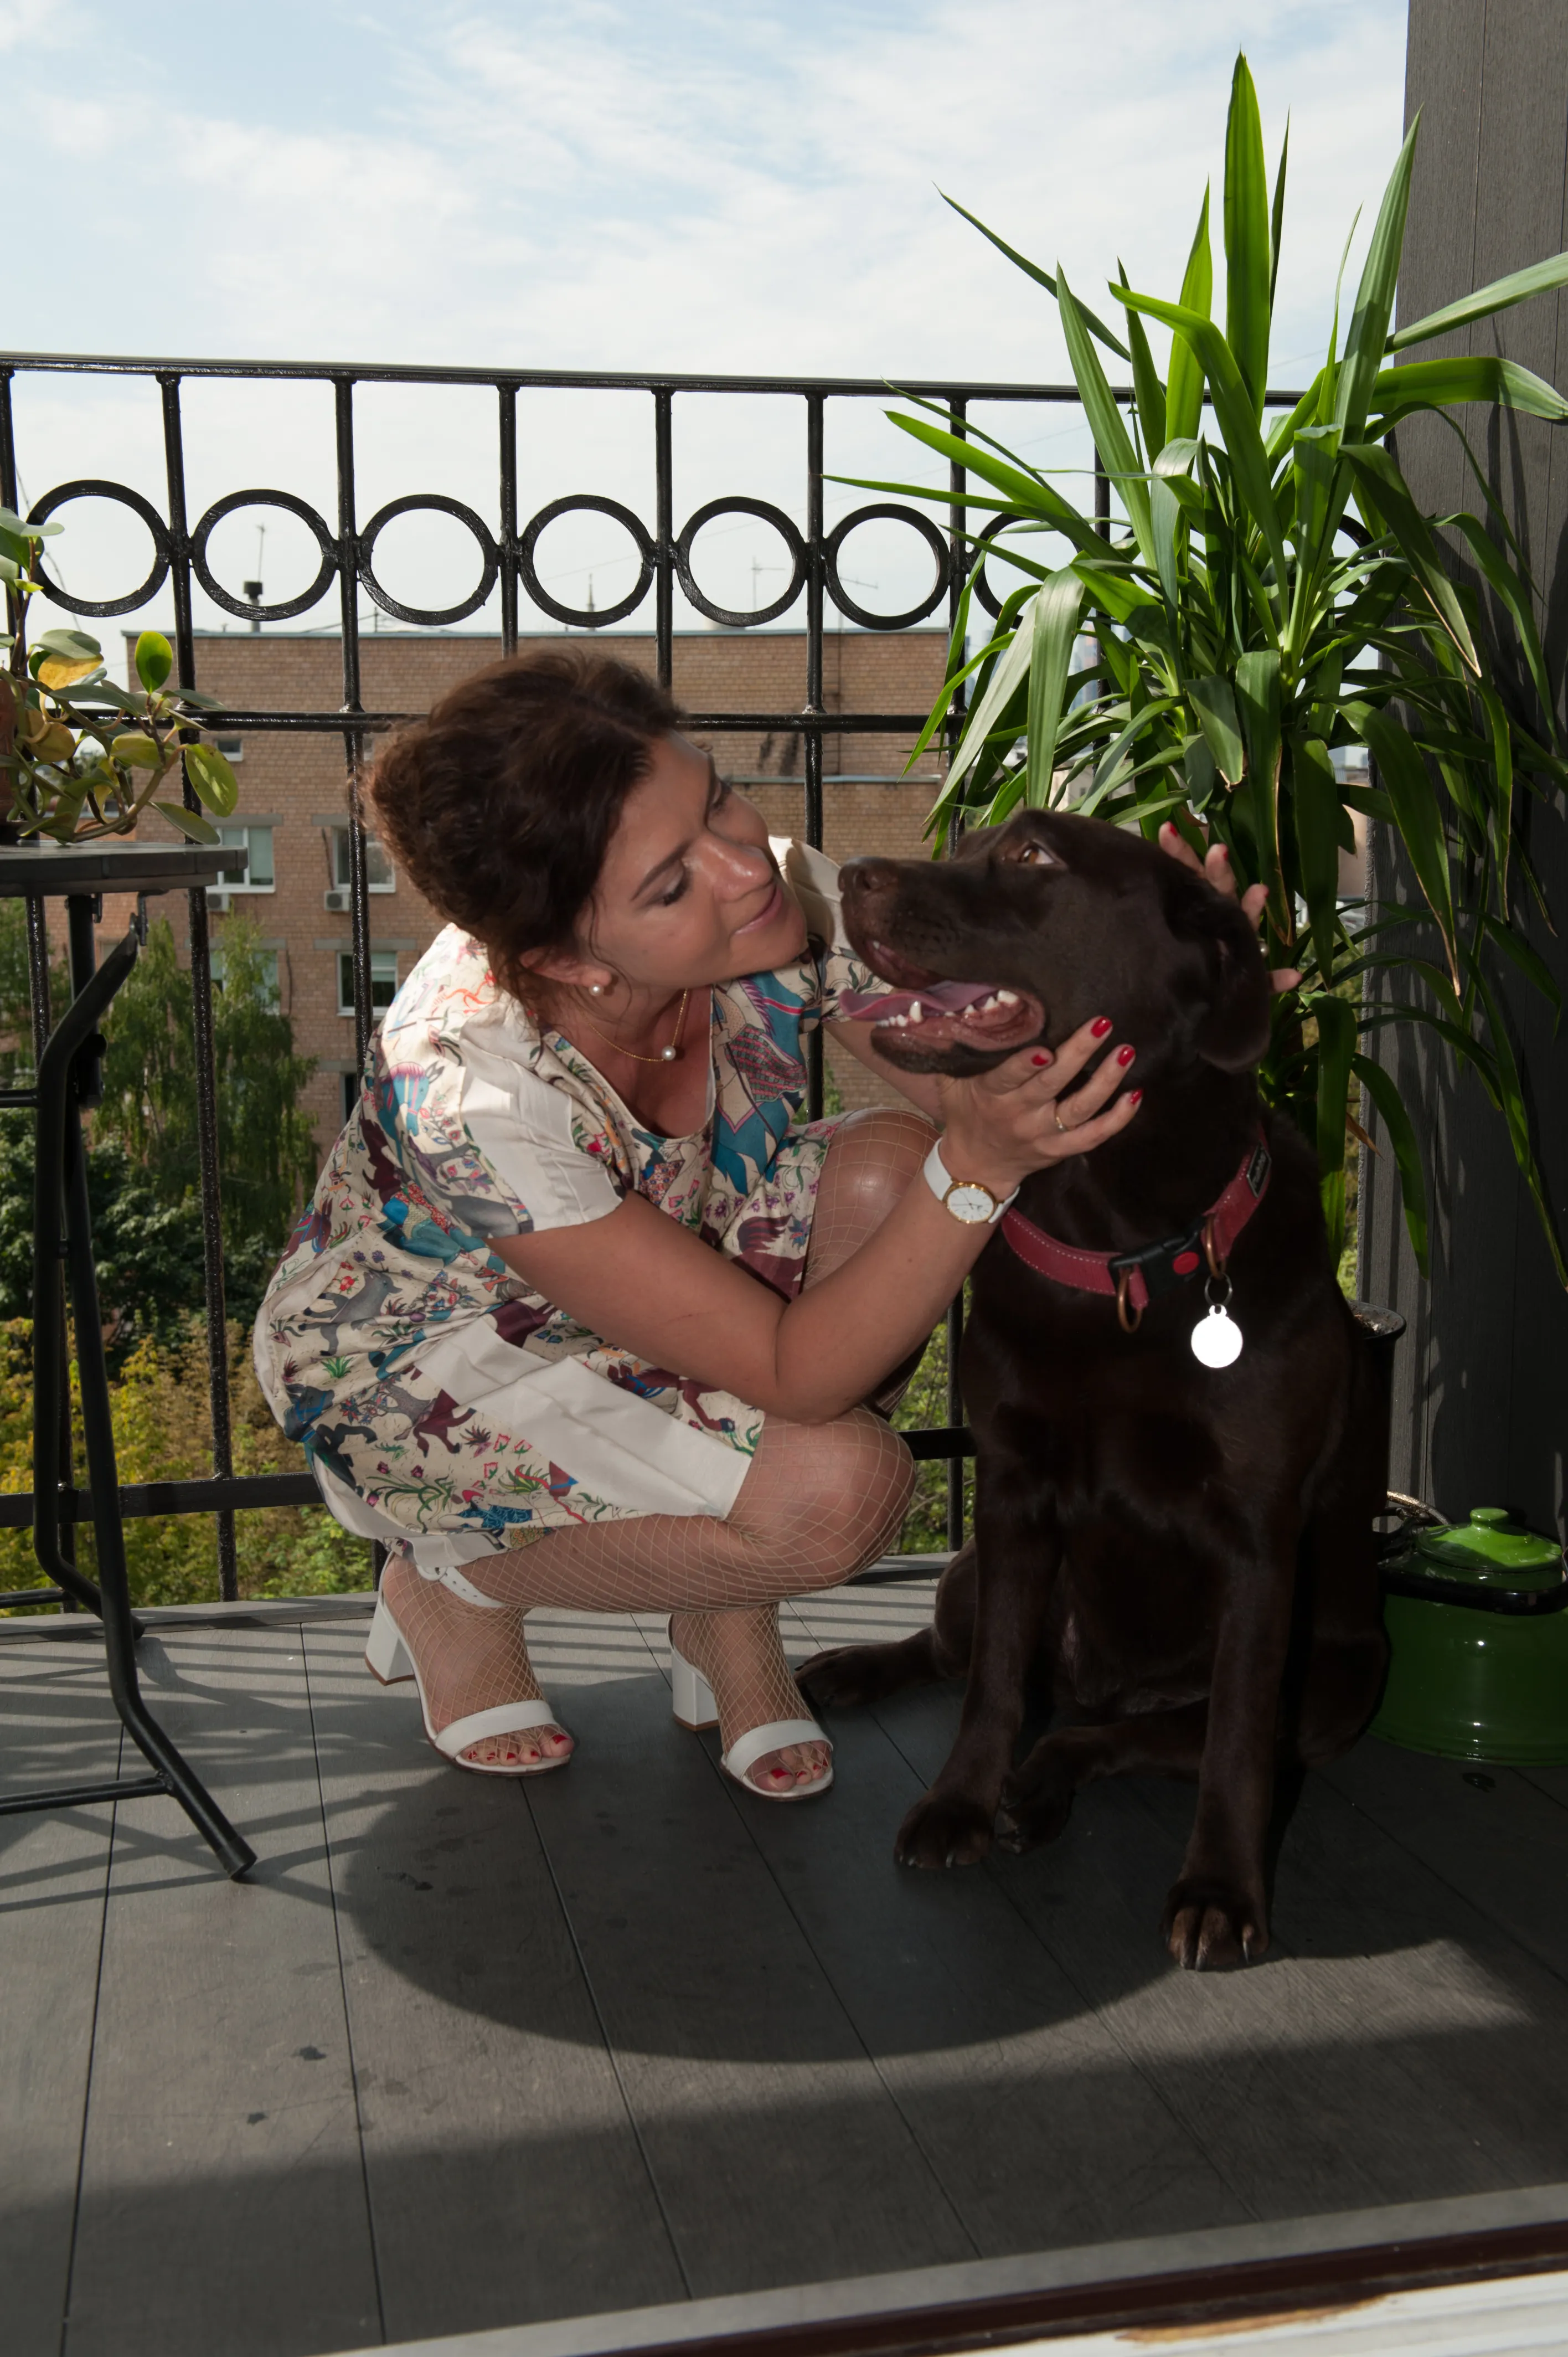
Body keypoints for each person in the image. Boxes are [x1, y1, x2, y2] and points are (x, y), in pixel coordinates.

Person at [254, 648, 1254, 1802]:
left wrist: (1163, 978)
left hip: (667, 1272)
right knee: (839, 1492)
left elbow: (977, 1085)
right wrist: (976, 1173)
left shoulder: (774, 904)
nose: (746, 868)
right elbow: (798, 1366)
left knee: (890, 1174)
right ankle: (461, 1578)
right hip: (435, 1359)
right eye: (672, 885)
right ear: (568, 961)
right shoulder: (473, 1093)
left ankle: (718, 1604)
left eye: (717, 793)